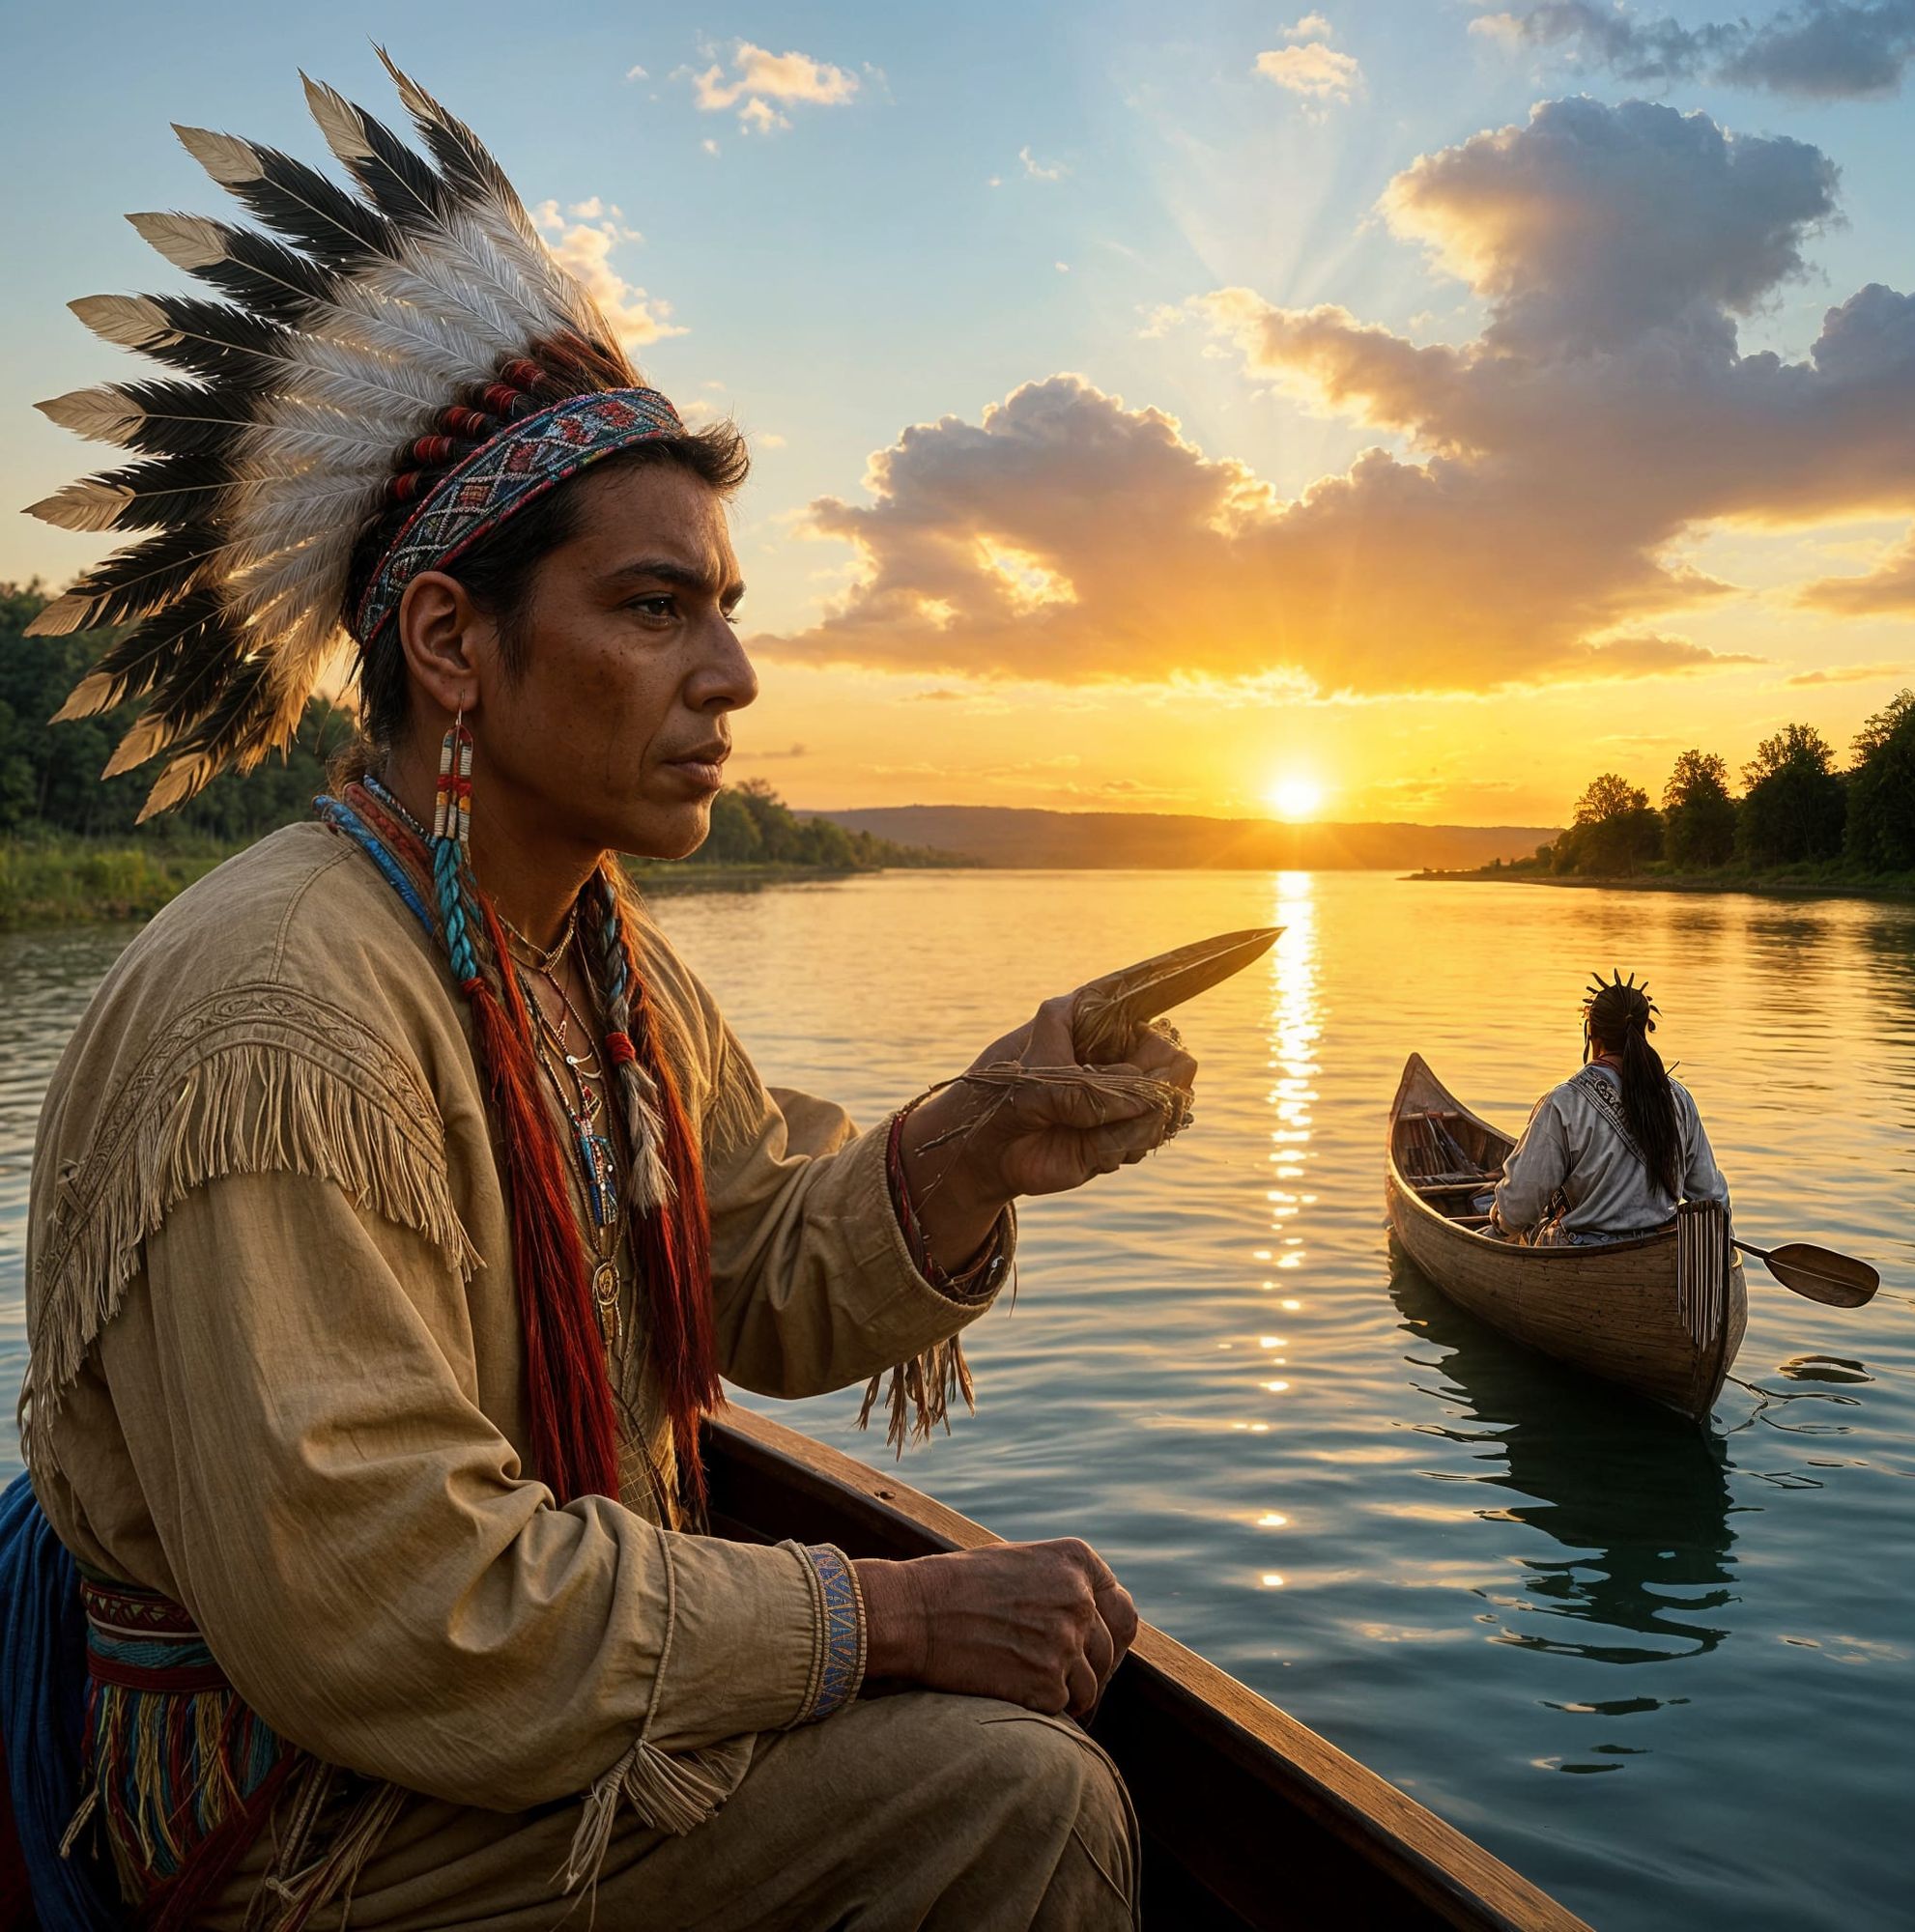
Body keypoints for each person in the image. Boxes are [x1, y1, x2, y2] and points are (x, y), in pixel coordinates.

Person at [11, 59, 1189, 1930]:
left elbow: (744, 1263)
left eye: (725, 606)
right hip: (322, 1822)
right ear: (453, 644)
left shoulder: (594, 957)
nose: (728, 674)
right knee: (1016, 1807)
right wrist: (876, 1611)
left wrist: (976, 1140)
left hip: (493, 1740)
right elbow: (386, 1601)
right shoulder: (280, 1018)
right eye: (656, 608)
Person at [1486, 971, 1728, 1247]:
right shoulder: (1678, 1098)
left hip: (1582, 1253)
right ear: (1643, 1029)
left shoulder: (1565, 1103)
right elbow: (1713, 1198)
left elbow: (1519, 1207)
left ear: (1592, 1033)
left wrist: (1500, 1222)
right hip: (1661, 1250)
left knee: (1514, 1232)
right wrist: (1723, 1248)